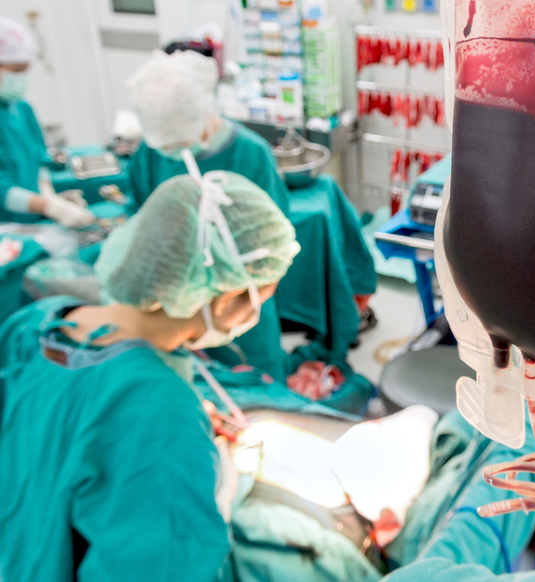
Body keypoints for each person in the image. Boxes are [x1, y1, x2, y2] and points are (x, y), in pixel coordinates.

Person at [0, 170, 299, 581]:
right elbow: (167, 564)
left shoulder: (35, 321)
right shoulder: (158, 413)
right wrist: (219, 494)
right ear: (227, 299)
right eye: (259, 299)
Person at [126, 49, 289, 218]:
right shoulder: (150, 152)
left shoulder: (251, 154)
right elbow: (139, 215)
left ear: (202, 112)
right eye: (165, 146)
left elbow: (274, 224)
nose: (171, 150)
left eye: (181, 142)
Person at [0, 17, 94, 227]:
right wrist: (49, 207)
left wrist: (47, 196)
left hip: (30, 218)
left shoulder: (22, 108)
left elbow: (39, 158)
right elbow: (1, 190)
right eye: (16, 69)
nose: (21, 77)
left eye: (25, 69)